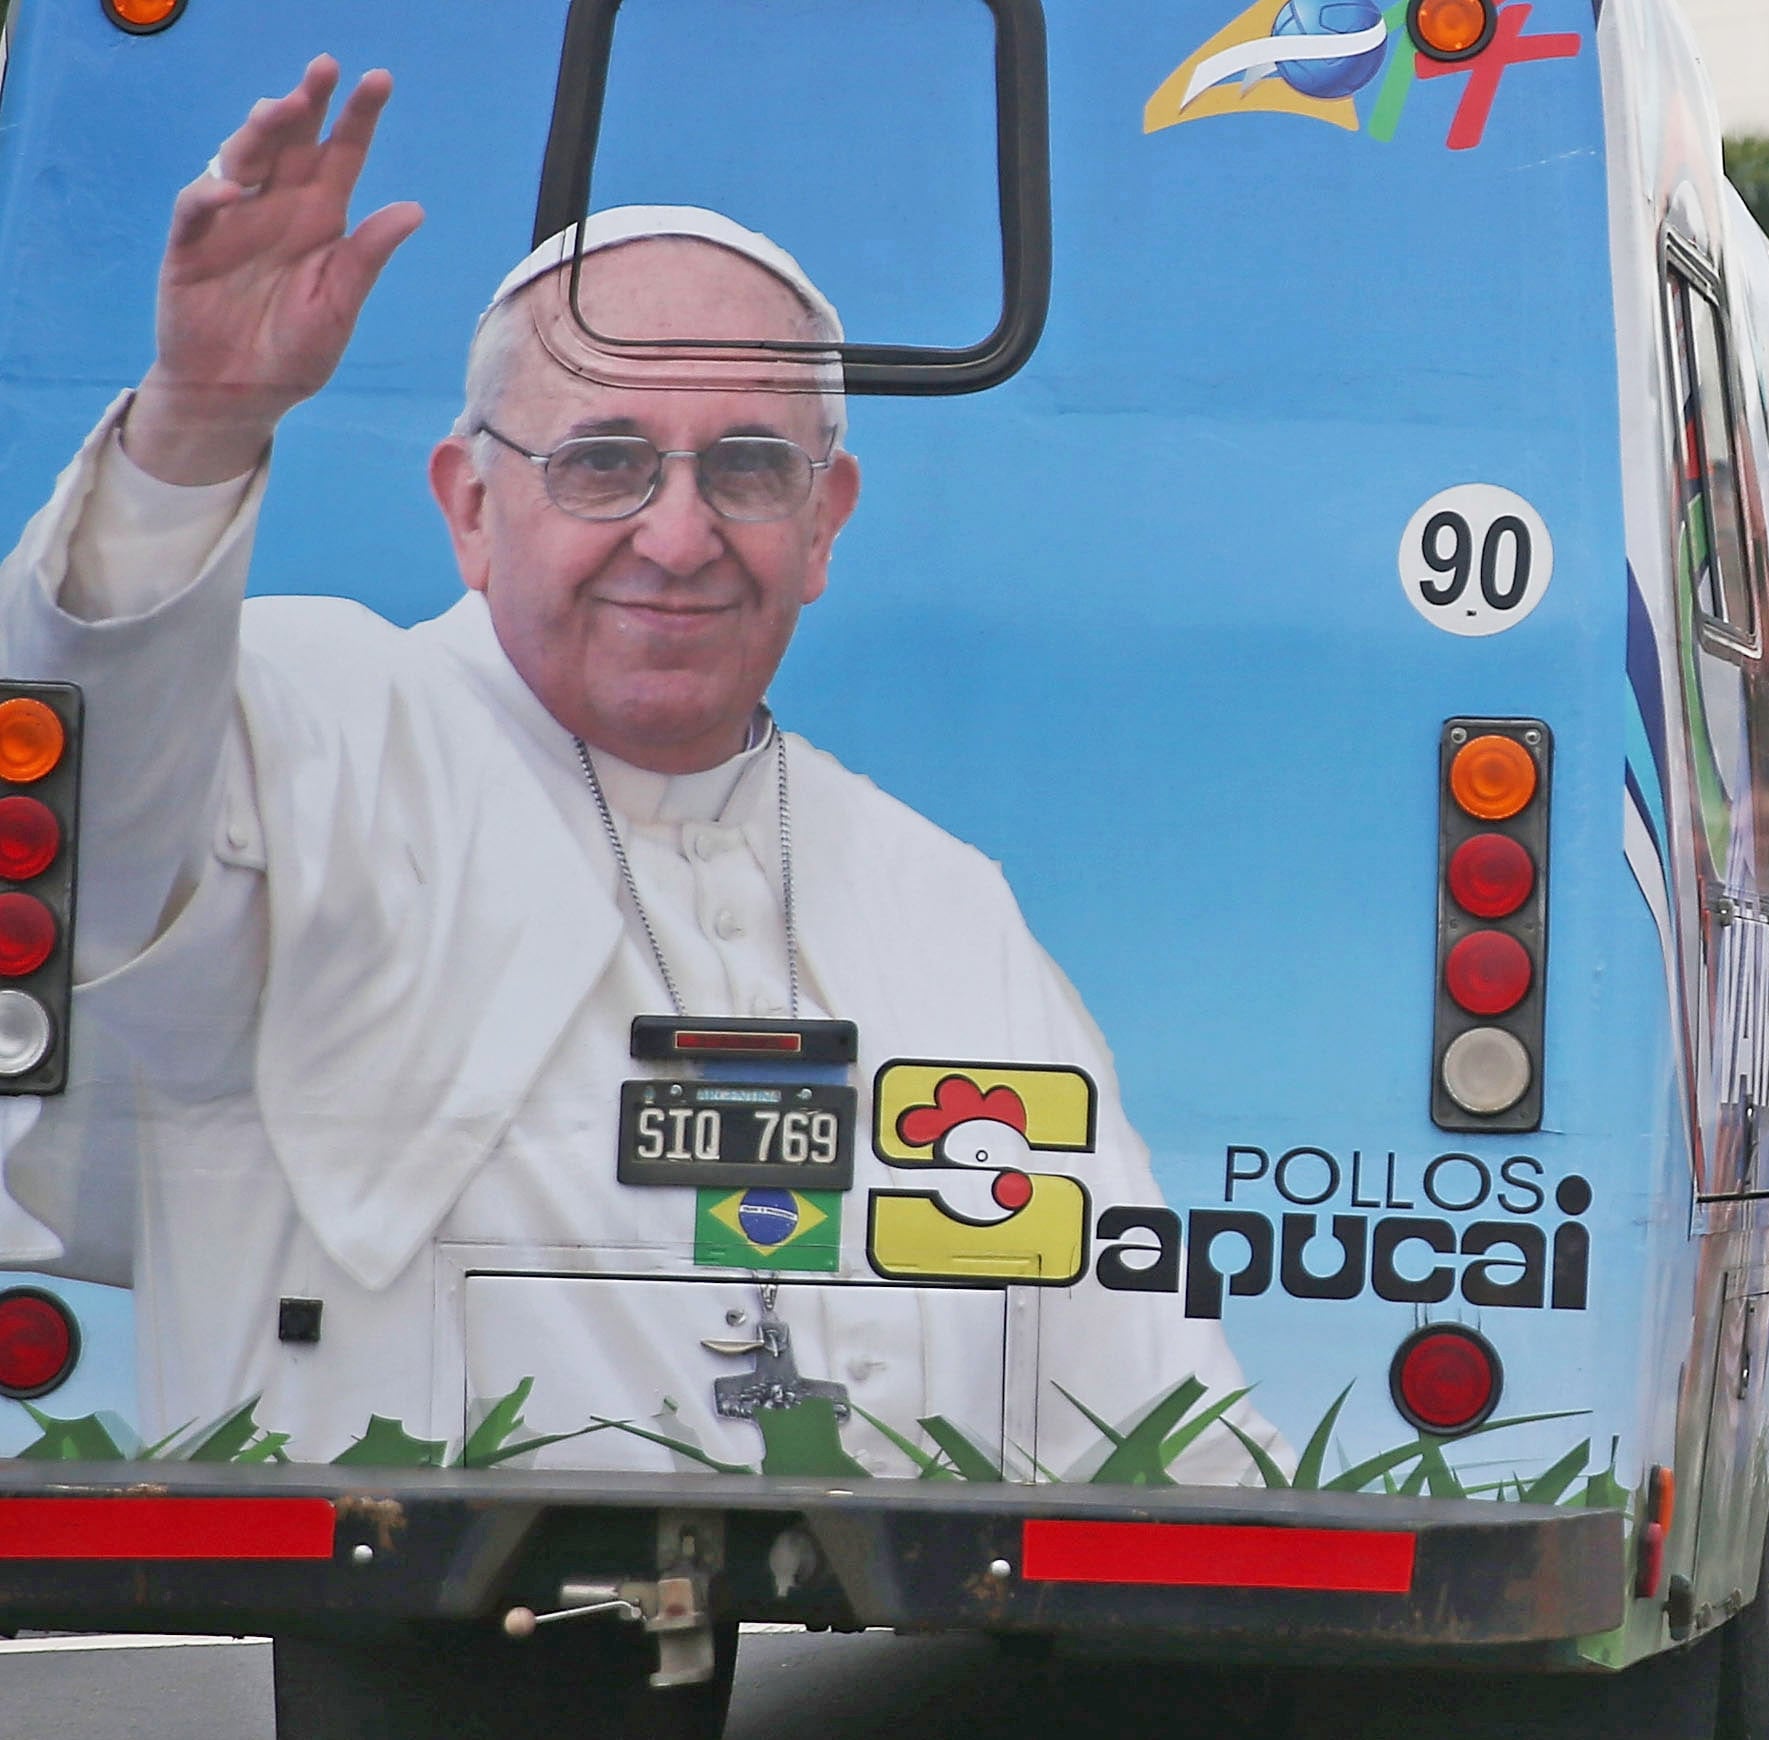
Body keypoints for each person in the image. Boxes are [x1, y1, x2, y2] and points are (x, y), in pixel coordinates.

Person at [0, 60, 1268, 1481]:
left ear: (826, 521)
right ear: (471, 507)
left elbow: (1146, 1406)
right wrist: (196, 431)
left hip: (875, 1678)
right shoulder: (312, 727)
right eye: (604, 463)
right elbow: (84, 798)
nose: (677, 538)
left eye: (746, 469)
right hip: (440, 1671)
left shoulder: (944, 902)